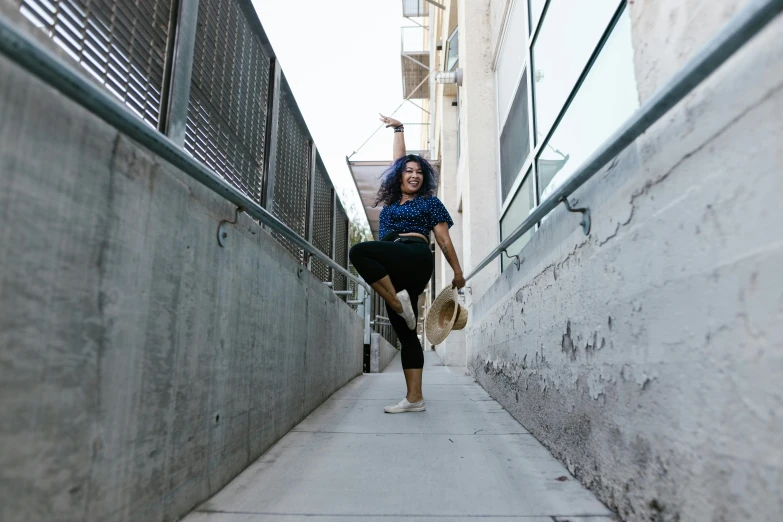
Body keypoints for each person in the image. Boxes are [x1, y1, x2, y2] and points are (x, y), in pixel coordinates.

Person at [349, 114, 466, 414]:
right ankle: (415, 398)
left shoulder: (429, 203)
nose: (414, 175)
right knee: (406, 336)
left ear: (424, 178)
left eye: (419, 172)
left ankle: (399, 305)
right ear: (399, 176)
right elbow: (397, 162)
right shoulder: (389, 206)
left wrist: (457, 271)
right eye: (408, 171)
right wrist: (397, 131)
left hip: (416, 256)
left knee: (359, 252)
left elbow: (442, 239)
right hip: (394, 268)